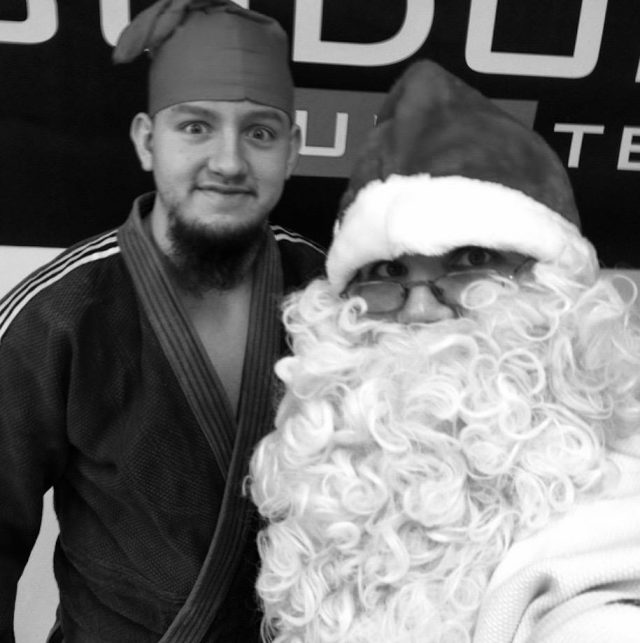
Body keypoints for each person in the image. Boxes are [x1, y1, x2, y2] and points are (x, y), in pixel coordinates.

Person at [249, 60, 640, 642]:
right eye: (388, 273)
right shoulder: (334, 478)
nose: (420, 311)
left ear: (553, 290)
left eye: (471, 262)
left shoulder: (612, 506)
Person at [0, 1, 324, 641]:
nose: (229, 162)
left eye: (259, 133)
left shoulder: (330, 297)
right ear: (147, 140)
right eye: (196, 127)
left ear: (291, 150)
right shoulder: (62, 312)